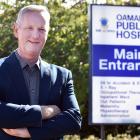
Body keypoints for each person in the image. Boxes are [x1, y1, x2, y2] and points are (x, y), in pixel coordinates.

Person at [0, 4, 82, 140]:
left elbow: (74, 120)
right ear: (16, 30)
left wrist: (29, 133)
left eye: (42, 29)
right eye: (29, 28)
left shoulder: (62, 76)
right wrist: (45, 111)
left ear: (48, 33)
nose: (35, 35)